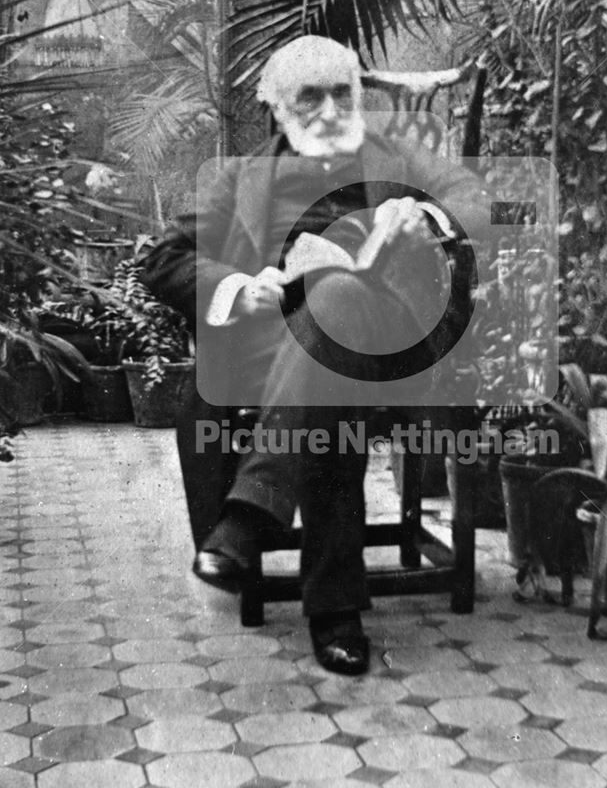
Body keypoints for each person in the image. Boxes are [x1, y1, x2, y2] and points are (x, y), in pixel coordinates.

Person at [142, 35, 488, 675]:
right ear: (277, 107)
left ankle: (250, 513)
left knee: (338, 301)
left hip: (388, 340)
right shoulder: (238, 178)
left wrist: (430, 221)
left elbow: (475, 199)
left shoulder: (403, 159)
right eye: (311, 96)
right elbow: (163, 259)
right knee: (326, 376)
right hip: (279, 344)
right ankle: (334, 610)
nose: (330, 108)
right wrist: (241, 288)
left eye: (342, 93)